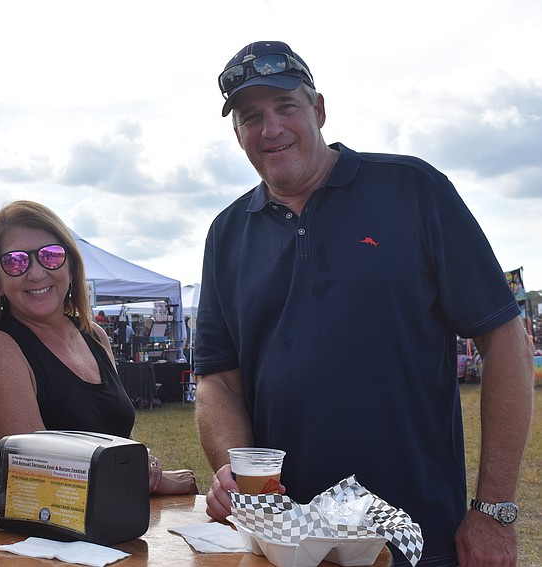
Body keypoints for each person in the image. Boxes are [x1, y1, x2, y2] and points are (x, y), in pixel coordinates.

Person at [195, 41, 534, 567]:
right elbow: (218, 378)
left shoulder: (413, 190)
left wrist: (494, 510)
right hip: (284, 543)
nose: (271, 129)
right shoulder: (227, 233)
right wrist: (235, 469)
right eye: (250, 117)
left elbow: (504, 335)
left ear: (319, 109)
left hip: (415, 539)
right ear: (236, 133)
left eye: (287, 108)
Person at [0, 200, 196, 494]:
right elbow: (39, 472)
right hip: (40, 538)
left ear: (71, 266)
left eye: (50, 256)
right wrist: (152, 480)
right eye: (15, 261)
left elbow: (121, 442)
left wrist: (146, 470)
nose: (37, 273)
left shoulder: (93, 335)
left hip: (114, 527)